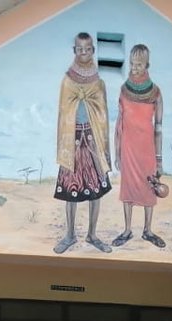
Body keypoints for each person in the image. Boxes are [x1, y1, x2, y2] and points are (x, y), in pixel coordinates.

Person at [53, 32, 112, 254]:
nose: (84, 52)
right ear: (74, 50)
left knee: (96, 190)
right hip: (73, 141)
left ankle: (92, 234)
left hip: (93, 140)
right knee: (71, 189)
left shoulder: (98, 82)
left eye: (88, 49)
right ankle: (69, 235)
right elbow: (64, 110)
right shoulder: (67, 80)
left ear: (93, 50)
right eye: (80, 49)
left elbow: (102, 113)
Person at [111, 44, 165, 249]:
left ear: (147, 65)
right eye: (132, 64)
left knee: (149, 188)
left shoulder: (156, 92)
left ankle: (148, 230)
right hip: (128, 148)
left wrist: (159, 159)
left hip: (147, 150)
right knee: (128, 188)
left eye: (139, 64)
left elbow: (159, 127)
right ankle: (127, 230)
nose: (134, 68)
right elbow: (119, 123)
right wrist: (117, 152)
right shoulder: (124, 90)